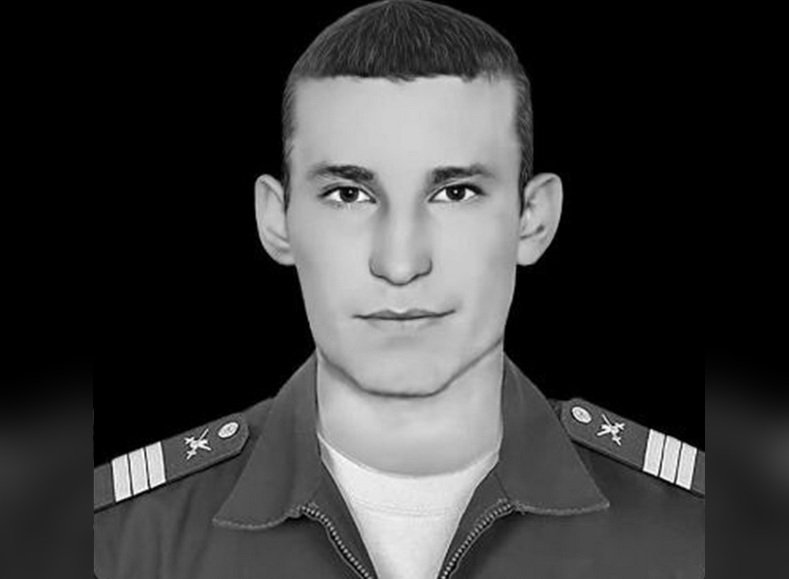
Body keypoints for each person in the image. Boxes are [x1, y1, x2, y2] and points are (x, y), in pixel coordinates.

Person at [94, 1, 704, 577]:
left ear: (533, 219)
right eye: (349, 194)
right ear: (276, 220)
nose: (401, 263)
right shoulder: (119, 542)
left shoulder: (698, 535)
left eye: (455, 193)